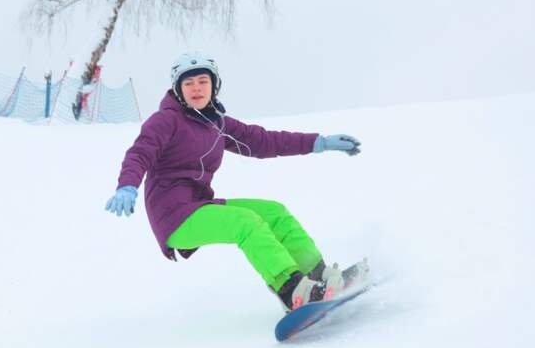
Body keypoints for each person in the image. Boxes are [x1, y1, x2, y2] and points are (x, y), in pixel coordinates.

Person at [105, 52, 365, 312]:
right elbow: (140, 153)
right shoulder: (166, 121)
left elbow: (264, 141)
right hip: (172, 215)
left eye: (202, 81)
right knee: (246, 222)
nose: (196, 88)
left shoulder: (216, 123)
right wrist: (127, 185)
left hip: (199, 206)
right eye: (188, 83)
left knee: (274, 212)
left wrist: (319, 142)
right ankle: (291, 290)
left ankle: (317, 278)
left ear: (214, 86)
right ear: (178, 89)